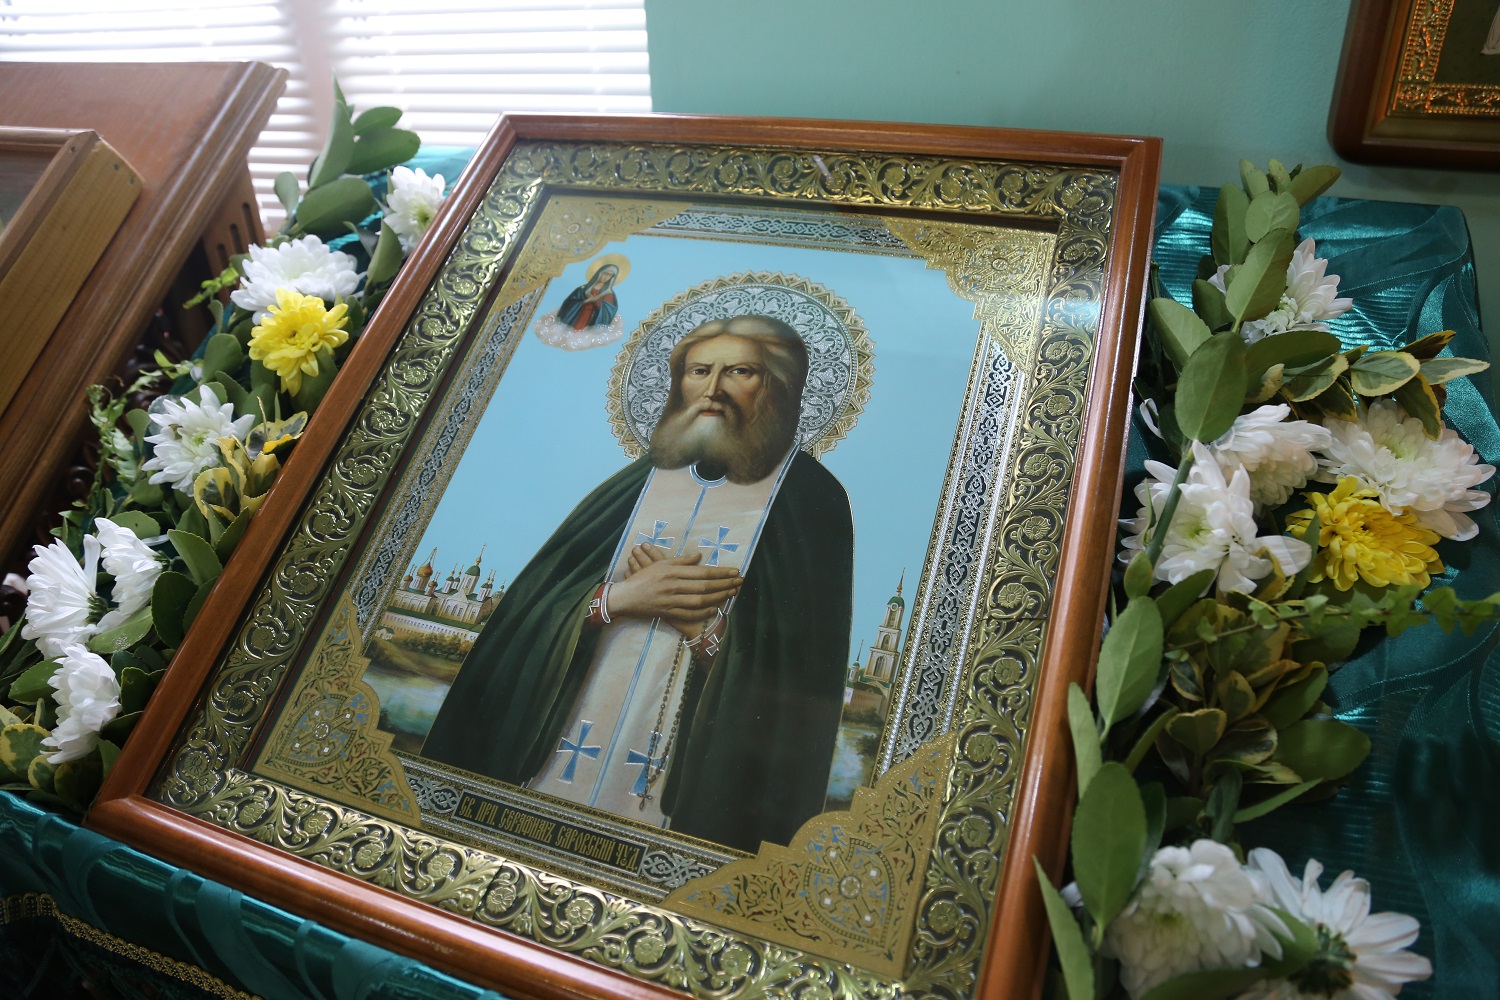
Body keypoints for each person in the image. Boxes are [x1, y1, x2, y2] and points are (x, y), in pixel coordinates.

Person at [422, 315, 854, 853]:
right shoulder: (636, 482)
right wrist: (619, 599)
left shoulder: (810, 498)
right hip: (557, 751)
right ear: (679, 384)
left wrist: (704, 630)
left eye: (740, 371)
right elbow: (526, 613)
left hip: (681, 793)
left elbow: (801, 680)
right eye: (699, 371)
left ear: (780, 389)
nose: (714, 389)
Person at [555, 264, 619, 330]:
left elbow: (608, 311)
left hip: (591, 321)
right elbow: (569, 303)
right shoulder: (582, 289)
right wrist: (583, 302)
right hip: (577, 317)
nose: (606, 277)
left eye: (610, 275)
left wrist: (596, 301)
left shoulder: (608, 293)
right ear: (600, 273)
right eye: (605, 273)